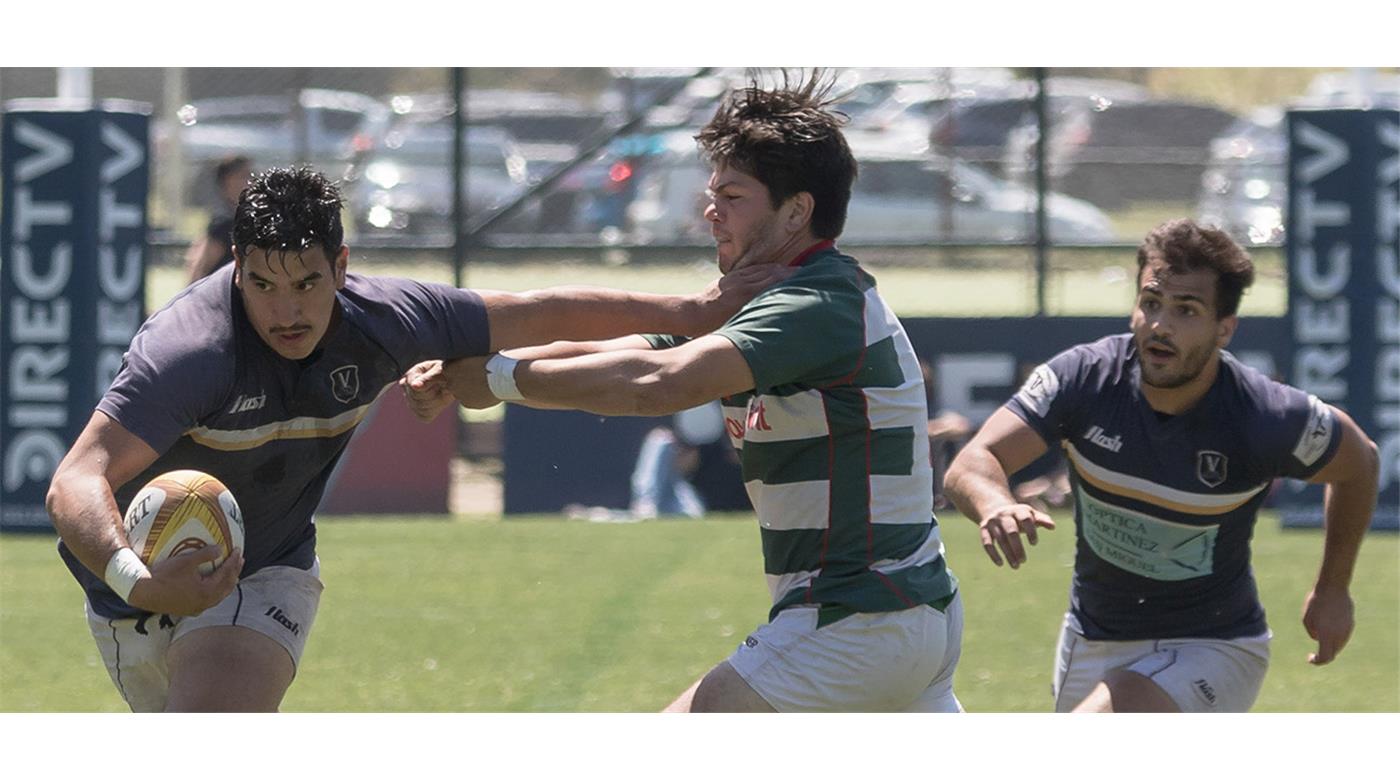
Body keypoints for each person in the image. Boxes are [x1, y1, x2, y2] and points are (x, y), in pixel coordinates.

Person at [45, 165, 783, 713]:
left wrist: (694, 309)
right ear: (238, 271)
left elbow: (533, 311)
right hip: (127, 595)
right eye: (264, 285)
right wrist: (140, 581)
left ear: (341, 265)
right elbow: (77, 480)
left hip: (264, 571)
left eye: (306, 281)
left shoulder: (384, 318)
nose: (287, 309)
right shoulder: (191, 351)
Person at [405, 73, 963, 713]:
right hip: (907, 613)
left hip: (858, 617)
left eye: (732, 196)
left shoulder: (813, 303)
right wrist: (476, 373)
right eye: (712, 194)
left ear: (797, 210)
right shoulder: (770, 298)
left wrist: (500, 380)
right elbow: (625, 353)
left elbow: (655, 385)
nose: (710, 212)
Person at [942, 218, 1380, 713]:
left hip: (1214, 644)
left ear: (1224, 329)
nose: (1160, 325)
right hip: (1092, 636)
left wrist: (1333, 589)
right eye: (1151, 303)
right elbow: (973, 462)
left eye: (1186, 310)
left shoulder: (1267, 416)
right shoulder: (1082, 380)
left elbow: (1359, 463)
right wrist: (996, 502)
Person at [184, 154, 253, 284]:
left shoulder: (249, 219)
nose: (250, 181)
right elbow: (200, 267)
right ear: (228, 181)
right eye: (244, 176)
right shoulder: (223, 224)